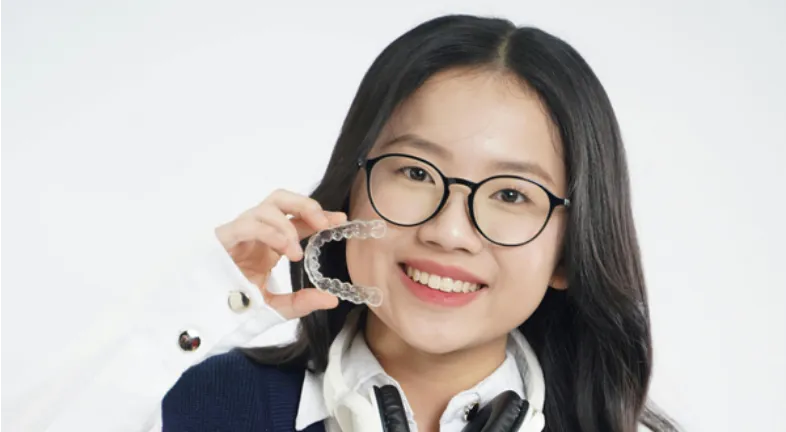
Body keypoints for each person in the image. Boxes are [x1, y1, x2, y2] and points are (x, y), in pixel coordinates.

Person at [8, 13, 678, 432]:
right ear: (350, 192)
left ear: (567, 251)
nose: (449, 230)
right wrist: (203, 299)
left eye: (510, 195)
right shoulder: (209, 407)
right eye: (416, 173)